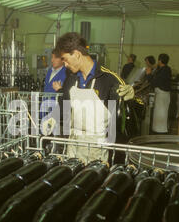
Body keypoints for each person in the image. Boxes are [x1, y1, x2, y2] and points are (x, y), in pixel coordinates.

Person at [50, 32, 138, 164]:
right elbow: (64, 105)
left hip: (100, 151)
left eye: (65, 59)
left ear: (77, 54)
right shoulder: (71, 79)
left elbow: (137, 112)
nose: (65, 65)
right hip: (74, 147)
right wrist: (53, 117)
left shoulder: (109, 79)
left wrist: (132, 98)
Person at [145, 53, 172, 134]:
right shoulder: (164, 69)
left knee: (161, 113)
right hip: (161, 94)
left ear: (160, 60)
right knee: (159, 113)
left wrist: (149, 74)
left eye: (158, 60)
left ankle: (161, 131)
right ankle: (158, 129)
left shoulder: (164, 70)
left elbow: (154, 82)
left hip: (162, 95)